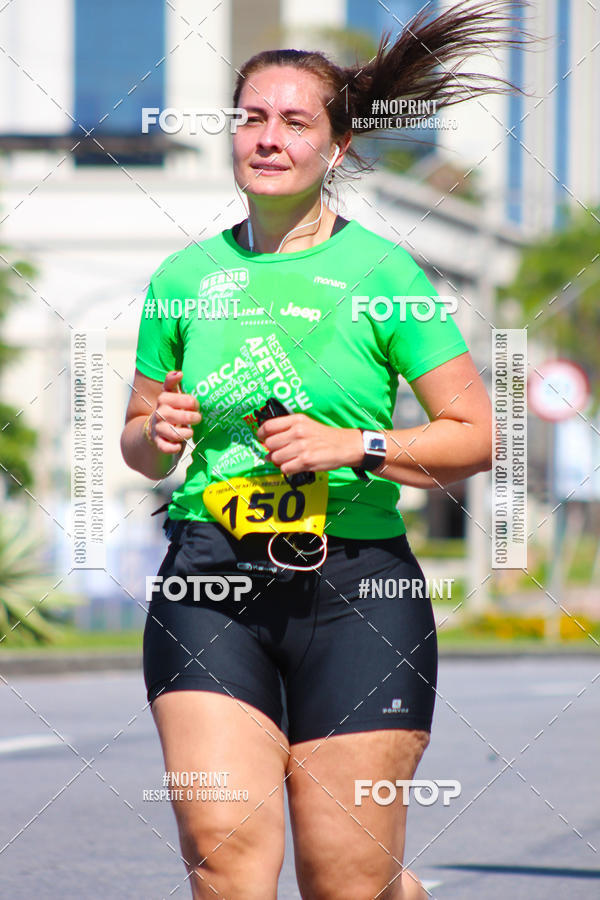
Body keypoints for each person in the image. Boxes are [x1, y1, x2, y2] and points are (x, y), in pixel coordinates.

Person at [121, 2, 522, 896]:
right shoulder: (182, 279)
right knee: (223, 849)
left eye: (295, 122)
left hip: (356, 590)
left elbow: (475, 437)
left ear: (336, 150)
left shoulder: (385, 274)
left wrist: (352, 445)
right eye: (251, 119)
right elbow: (140, 446)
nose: (268, 138)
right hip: (208, 577)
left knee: (347, 879)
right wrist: (158, 433)